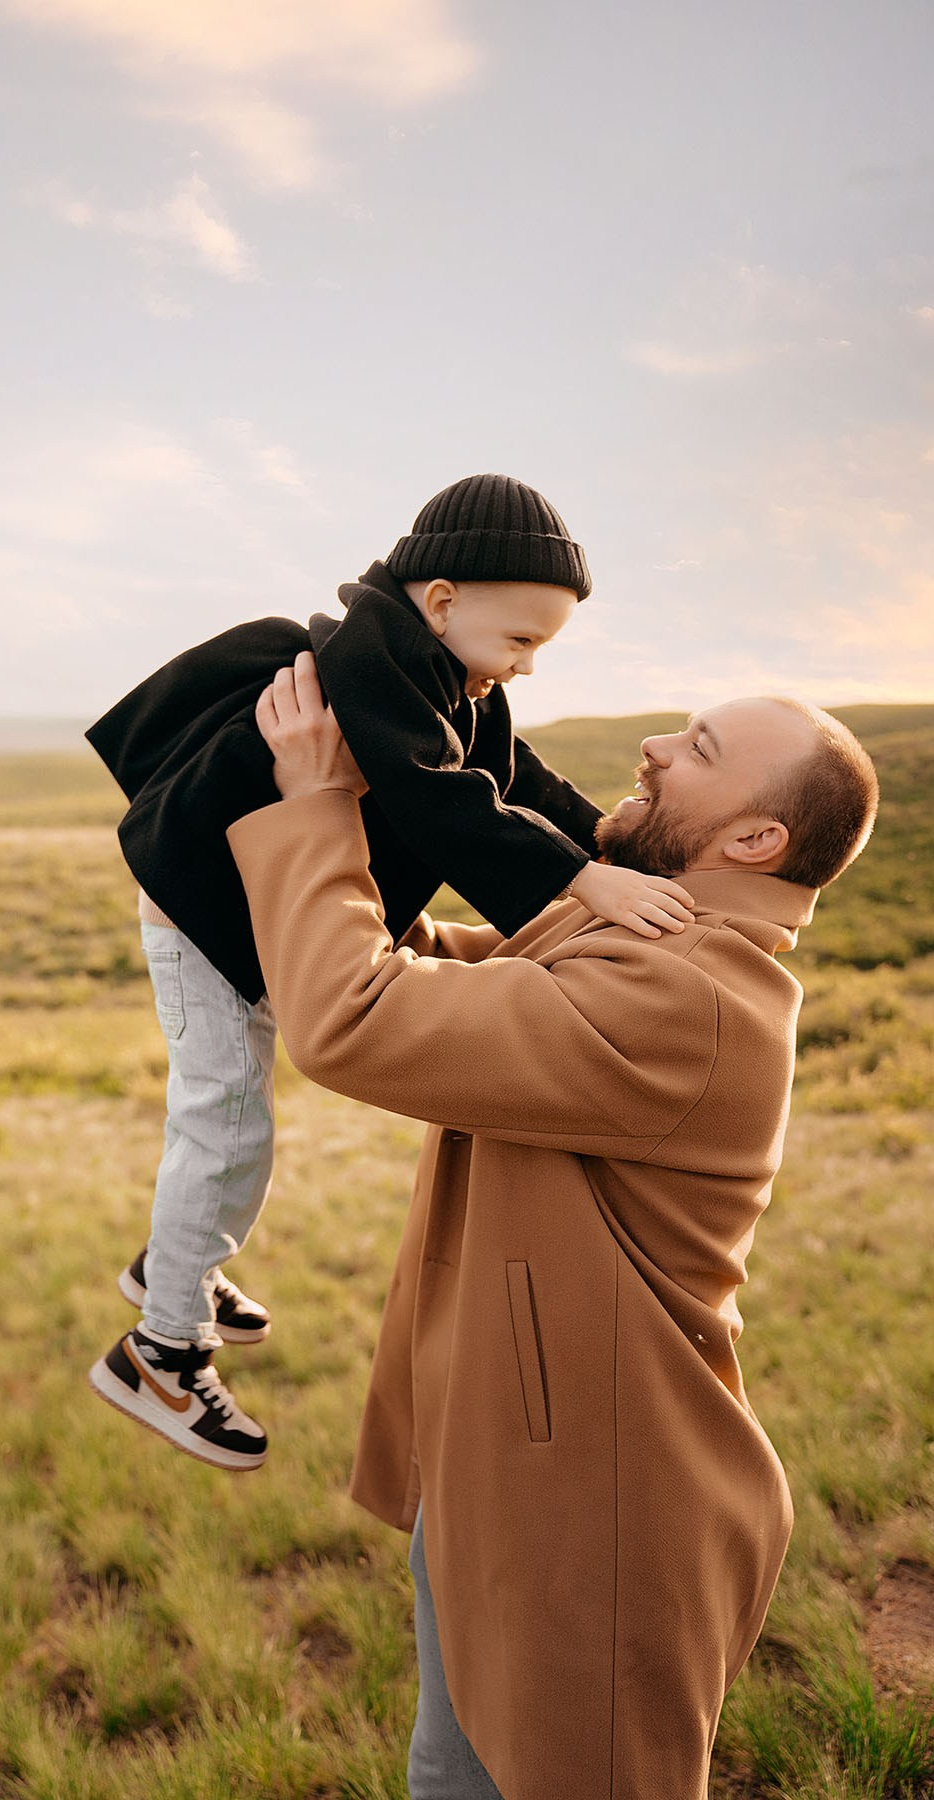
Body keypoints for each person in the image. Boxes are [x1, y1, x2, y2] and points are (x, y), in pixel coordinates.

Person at [230, 658, 878, 1800]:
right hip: (510, 1470)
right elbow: (423, 967)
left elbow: (355, 1018)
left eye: (699, 750)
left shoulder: (691, 1000)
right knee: (455, 1774)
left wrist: (320, 805)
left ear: (755, 843)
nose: (656, 752)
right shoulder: (653, 953)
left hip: (597, 1514)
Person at [84, 475, 696, 1471]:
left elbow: (512, 777)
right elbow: (439, 800)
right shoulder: (370, 658)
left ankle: (177, 1262)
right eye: (522, 643)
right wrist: (585, 883)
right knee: (225, 1117)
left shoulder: (446, 677)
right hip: (203, 906)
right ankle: (160, 1351)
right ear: (444, 602)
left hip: (244, 904)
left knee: (236, 1124)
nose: (526, 670)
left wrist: (614, 848)